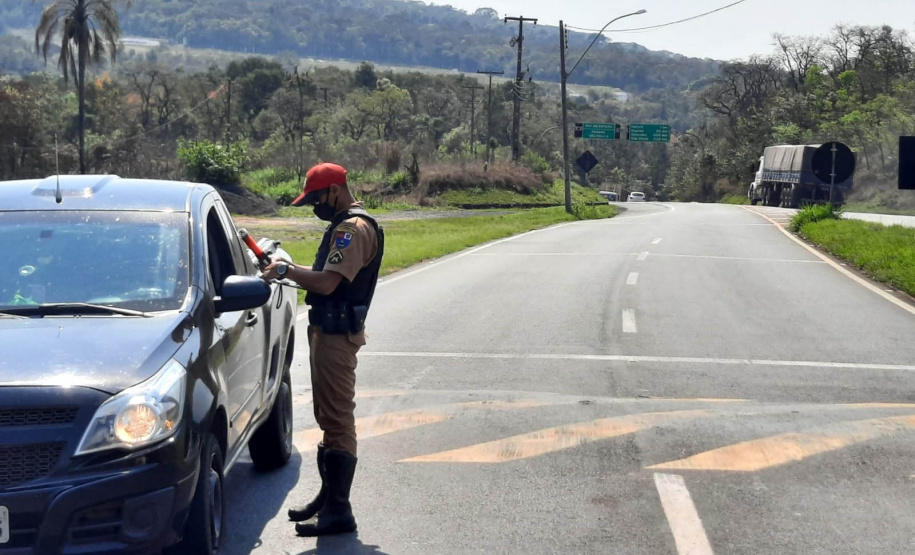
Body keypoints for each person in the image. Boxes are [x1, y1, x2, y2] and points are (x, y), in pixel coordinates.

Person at [261, 162, 384, 537]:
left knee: (337, 420)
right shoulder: (342, 225)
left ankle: (339, 512)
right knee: (327, 416)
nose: (315, 207)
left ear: (335, 190)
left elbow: (329, 284)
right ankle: (328, 498)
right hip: (326, 330)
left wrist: (286, 270)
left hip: (337, 334)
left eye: (317, 199)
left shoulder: (352, 228)